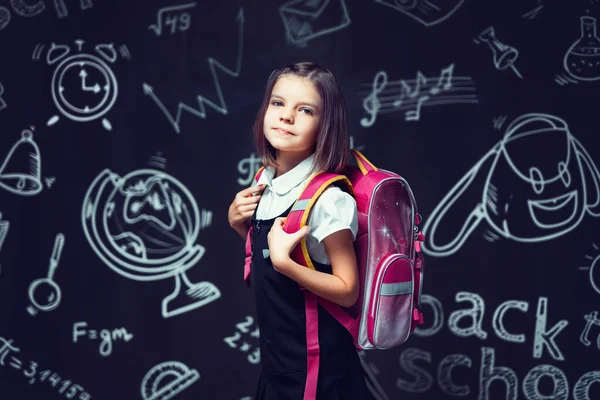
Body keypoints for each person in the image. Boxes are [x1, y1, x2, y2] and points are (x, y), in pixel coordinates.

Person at [228, 62, 368, 399]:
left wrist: (288, 265)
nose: (286, 116)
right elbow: (267, 255)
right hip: (278, 366)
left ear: (326, 125)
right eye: (278, 104)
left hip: (319, 373)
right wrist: (238, 224)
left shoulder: (328, 200)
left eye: (305, 110)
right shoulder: (265, 179)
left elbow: (348, 289)